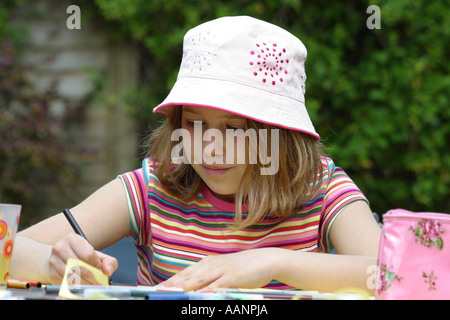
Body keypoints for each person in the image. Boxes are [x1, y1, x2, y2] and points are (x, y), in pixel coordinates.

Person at [11, 16, 381, 293]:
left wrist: (271, 262)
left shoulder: (322, 187)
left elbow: (401, 276)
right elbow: (5, 248)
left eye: (235, 129)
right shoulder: (151, 187)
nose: (209, 146)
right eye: (194, 123)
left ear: (280, 135)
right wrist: (49, 262)